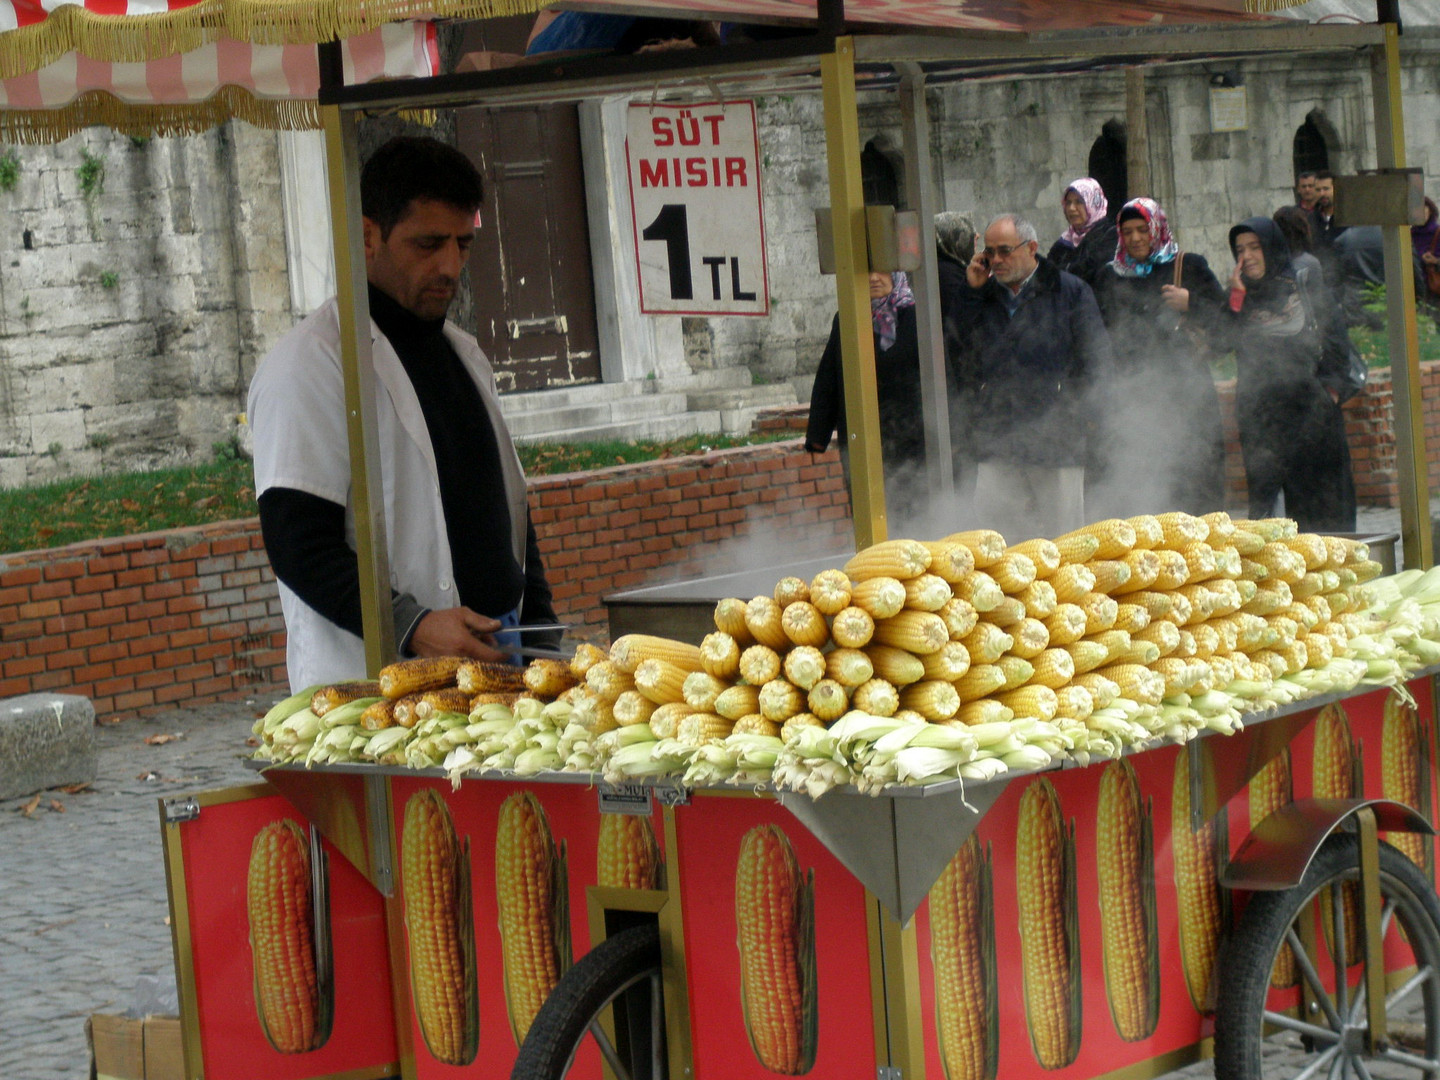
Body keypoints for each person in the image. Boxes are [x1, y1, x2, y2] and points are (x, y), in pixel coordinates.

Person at [248, 136, 560, 690]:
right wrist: (413, 626)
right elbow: (299, 545)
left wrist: (543, 639)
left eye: (463, 244)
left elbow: (511, 515)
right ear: (368, 236)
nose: (450, 265)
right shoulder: (310, 365)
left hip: (502, 666)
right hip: (380, 683)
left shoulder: (463, 353)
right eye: (428, 244)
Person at [949, 213, 1113, 541]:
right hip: (998, 436)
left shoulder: (1070, 292)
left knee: (1064, 539)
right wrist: (971, 292)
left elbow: (1096, 361)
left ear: (1032, 248)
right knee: (995, 539)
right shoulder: (982, 294)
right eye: (990, 252)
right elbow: (958, 351)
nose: (996, 260)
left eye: (1005, 251)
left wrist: (1081, 417)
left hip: (1056, 437)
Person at [1091, 198, 1226, 517]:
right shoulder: (1109, 276)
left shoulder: (1188, 266)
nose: (1136, 238)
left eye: (1143, 229)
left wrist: (1191, 302)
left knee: (1193, 485)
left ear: (1158, 229)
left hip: (1188, 397)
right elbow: (1100, 333)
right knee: (1140, 490)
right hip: (1133, 402)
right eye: (1128, 231)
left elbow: (1227, 325)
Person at [1219, 216, 1356, 531]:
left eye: (1255, 247)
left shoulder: (1305, 286)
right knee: (1268, 517)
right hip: (1260, 418)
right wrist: (1236, 297)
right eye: (1240, 250)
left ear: (1272, 246)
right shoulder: (1240, 297)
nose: (1248, 256)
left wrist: (1329, 394)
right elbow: (1220, 343)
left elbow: (1336, 341)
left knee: (1322, 506)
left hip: (1312, 414)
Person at [806, 271, 925, 519]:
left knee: (913, 509)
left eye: (882, 270)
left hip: (912, 436)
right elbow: (829, 377)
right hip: (862, 434)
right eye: (865, 271)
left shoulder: (917, 317)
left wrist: (953, 434)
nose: (873, 278)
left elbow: (940, 374)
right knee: (869, 512)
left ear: (896, 274)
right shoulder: (848, 319)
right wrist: (818, 435)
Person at [935, 211, 979, 498]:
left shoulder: (940, 270)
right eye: (969, 235)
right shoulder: (951, 278)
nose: (975, 241)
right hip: (956, 381)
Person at [1046, 178, 1117, 286]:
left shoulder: (1110, 235)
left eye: (1079, 202)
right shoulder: (1064, 242)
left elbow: (1090, 274)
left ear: (1094, 203)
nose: (1071, 208)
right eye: (1068, 202)